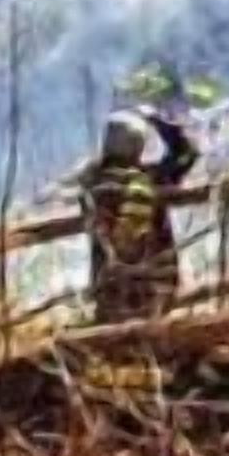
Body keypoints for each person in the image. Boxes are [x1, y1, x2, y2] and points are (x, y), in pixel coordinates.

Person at [84, 106, 199, 322]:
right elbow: (188, 152)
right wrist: (159, 121)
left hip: (109, 284)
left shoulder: (93, 183)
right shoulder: (150, 180)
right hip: (155, 281)